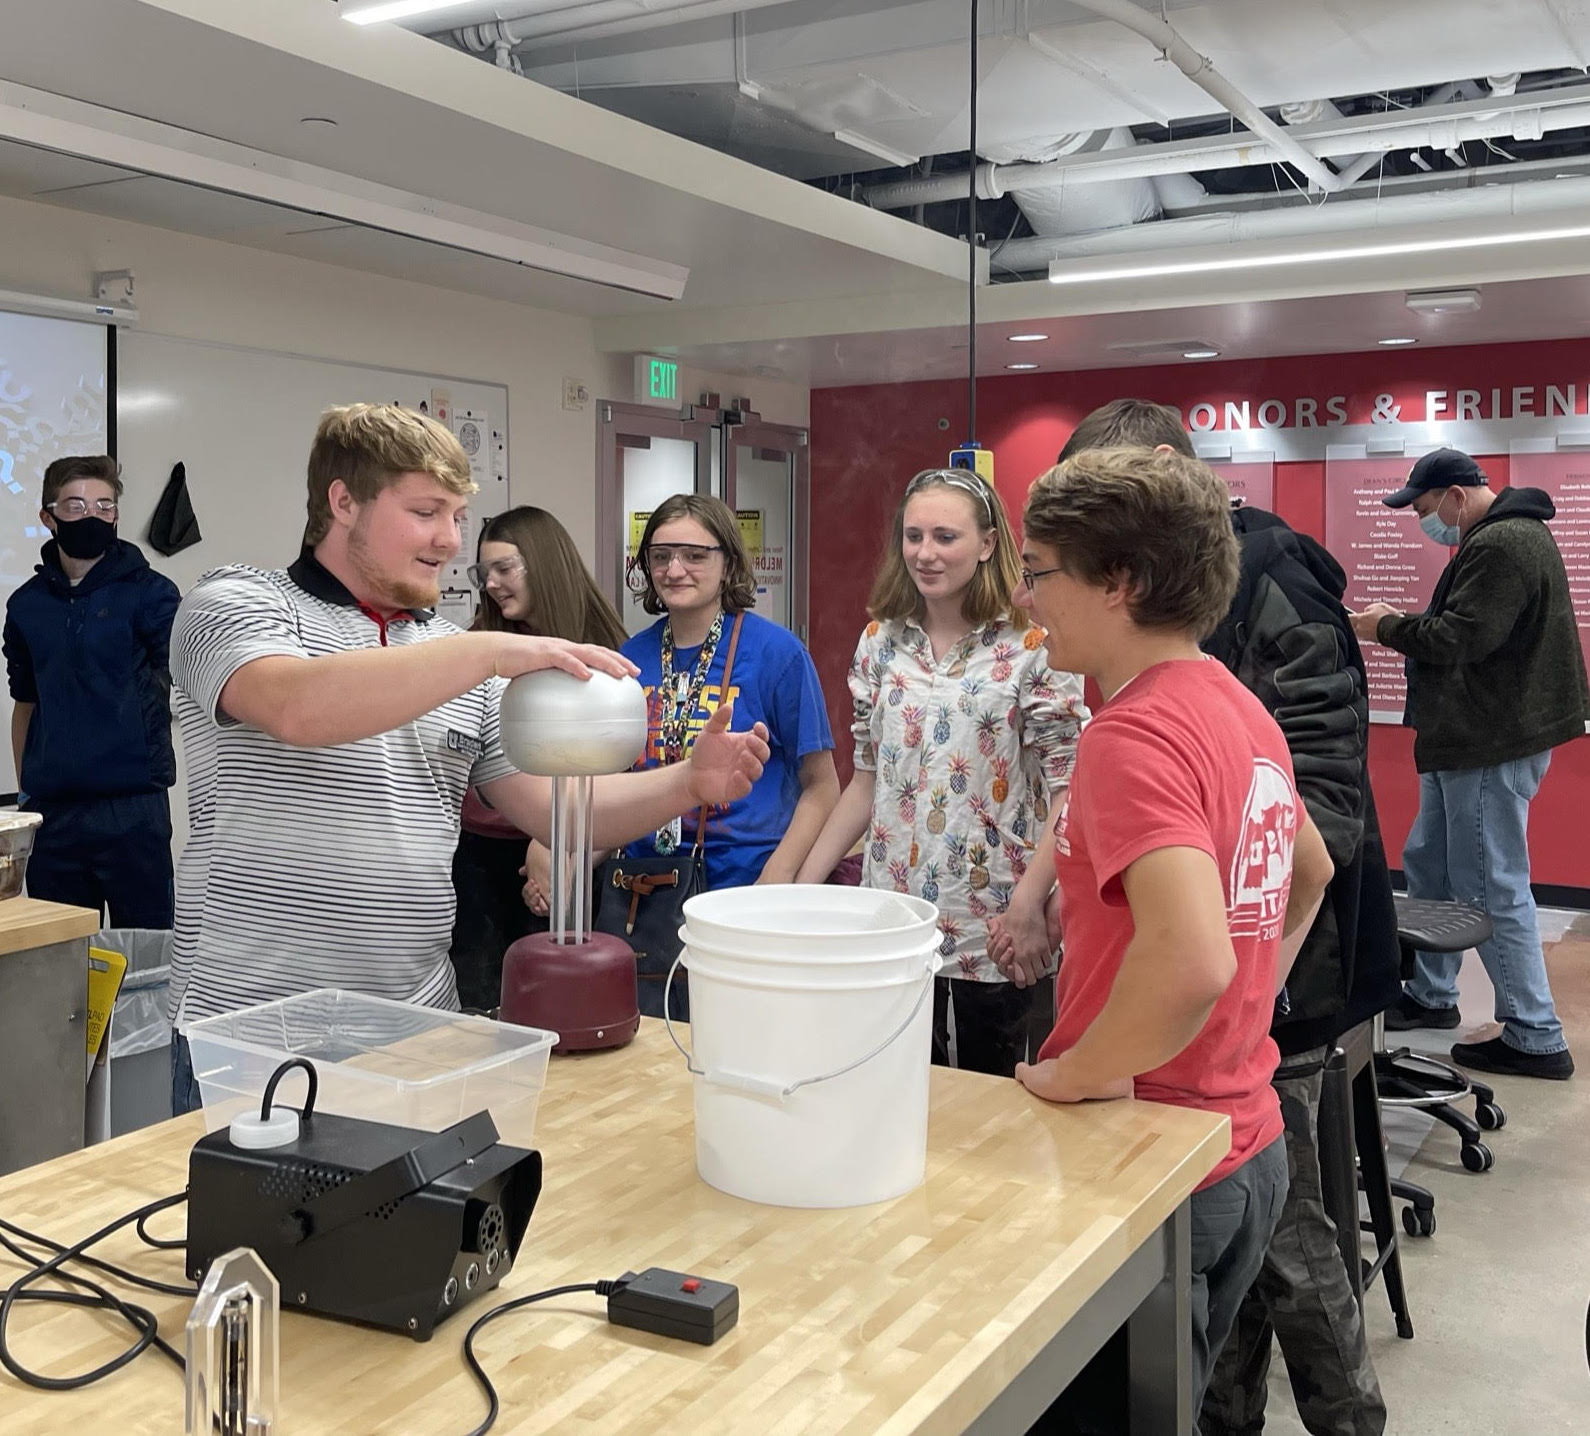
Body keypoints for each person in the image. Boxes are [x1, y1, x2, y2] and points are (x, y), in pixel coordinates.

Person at [166, 404, 768, 1113]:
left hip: (417, 1027)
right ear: (343, 502)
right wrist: (487, 651)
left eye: (456, 515)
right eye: (426, 512)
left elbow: (553, 810)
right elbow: (296, 707)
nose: (449, 540)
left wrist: (686, 783)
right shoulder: (237, 604)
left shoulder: (450, 659)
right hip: (251, 1032)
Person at [1056, 401, 1393, 1436]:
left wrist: (1246, 981)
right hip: (1228, 1028)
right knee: (1213, 1322)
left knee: (1282, 1249)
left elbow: (1312, 831)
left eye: (1039, 567)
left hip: (1229, 1040)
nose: (1025, 596)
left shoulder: (1252, 612)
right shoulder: (1211, 685)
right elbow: (1289, 848)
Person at [1006, 446, 1334, 1416]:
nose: (1026, 599)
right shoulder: (1237, 707)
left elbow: (1191, 957)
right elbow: (1308, 872)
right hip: (1245, 1139)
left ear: (1121, 582)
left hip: (1158, 1155)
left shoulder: (1131, 735)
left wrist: (1081, 1068)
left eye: (1038, 572)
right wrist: (1247, 997)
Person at [797, 468, 1087, 1077]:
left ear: (986, 544)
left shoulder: (1035, 643)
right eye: (913, 536)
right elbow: (866, 782)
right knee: (892, 1087)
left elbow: (1072, 791)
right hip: (892, 918)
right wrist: (803, 891)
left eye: (945, 537)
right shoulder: (880, 641)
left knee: (989, 1110)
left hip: (1000, 922)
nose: (925, 554)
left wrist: (1033, 904)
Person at [1353, 447, 1585, 1080]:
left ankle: (1535, 1034)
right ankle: (1431, 994)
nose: (1426, 522)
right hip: (1471, 738)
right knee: (1428, 859)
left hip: (1489, 743)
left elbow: (1461, 638)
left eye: (1427, 509)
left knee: (1491, 885)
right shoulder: (1507, 537)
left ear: (1455, 496)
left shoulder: (1501, 545)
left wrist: (1386, 627)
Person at [621, 495, 838, 1013]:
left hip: (747, 888)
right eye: (660, 555)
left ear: (728, 564)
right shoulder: (630, 659)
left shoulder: (777, 654)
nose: (674, 569)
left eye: (695, 555)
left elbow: (823, 785)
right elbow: (617, 781)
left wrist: (777, 880)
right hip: (646, 892)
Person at [448, 505, 630, 1010]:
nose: (492, 584)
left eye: (505, 568)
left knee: (559, 1004)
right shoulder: (477, 647)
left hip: (568, 852)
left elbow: (618, 775)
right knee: (485, 1003)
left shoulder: (605, 653)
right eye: (483, 572)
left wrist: (562, 854)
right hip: (478, 856)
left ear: (545, 563)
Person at [3, 455, 181, 928]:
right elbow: (26, 705)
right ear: (48, 517)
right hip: (54, 817)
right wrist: (27, 795)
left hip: (134, 811)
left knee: (148, 958)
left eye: (105, 506)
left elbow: (188, 685)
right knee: (63, 961)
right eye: (76, 506)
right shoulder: (25, 606)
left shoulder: (153, 594)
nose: (93, 516)